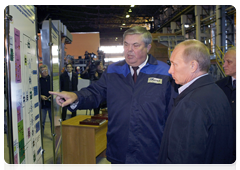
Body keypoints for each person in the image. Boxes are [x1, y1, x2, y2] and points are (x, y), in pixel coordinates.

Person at [50, 26, 178, 170]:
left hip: (151, 152)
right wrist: (76, 96)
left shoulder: (165, 73)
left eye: (135, 45)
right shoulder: (113, 70)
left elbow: (173, 113)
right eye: (126, 44)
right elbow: (96, 92)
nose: (129, 50)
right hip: (119, 151)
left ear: (148, 47)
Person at [156, 39, 233, 170]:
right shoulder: (216, 92)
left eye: (174, 64)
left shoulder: (191, 104)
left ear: (193, 66)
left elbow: (183, 161)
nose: (170, 70)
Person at [216, 46, 238, 170]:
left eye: (229, 62)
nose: (224, 65)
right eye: (224, 61)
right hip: (224, 149)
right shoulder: (218, 86)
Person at [39, 64, 52, 134]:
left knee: (53, 122)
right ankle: (41, 136)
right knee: (42, 122)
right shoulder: (38, 81)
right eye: (43, 70)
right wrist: (41, 96)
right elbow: (36, 92)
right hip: (43, 105)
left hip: (51, 104)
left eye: (46, 70)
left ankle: (54, 136)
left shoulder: (51, 79)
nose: (45, 72)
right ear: (40, 73)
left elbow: (56, 89)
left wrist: (52, 95)